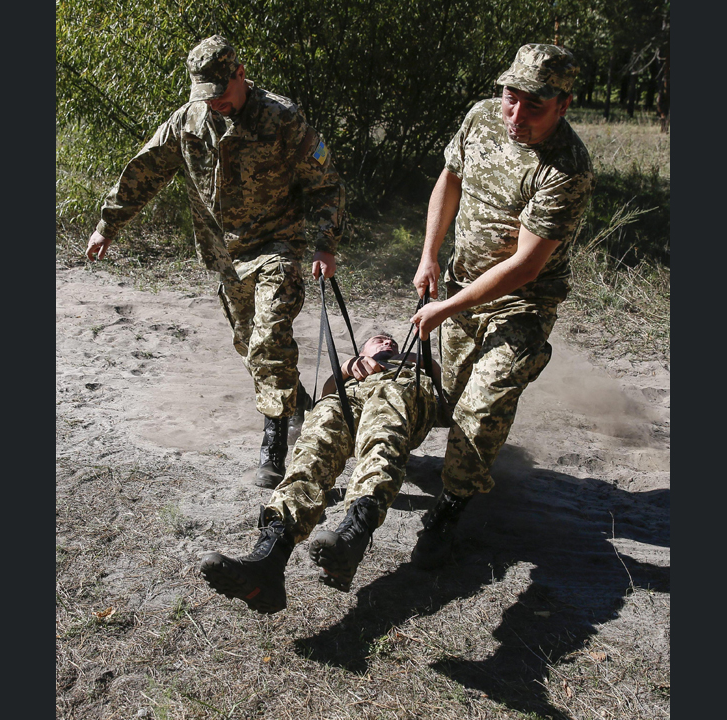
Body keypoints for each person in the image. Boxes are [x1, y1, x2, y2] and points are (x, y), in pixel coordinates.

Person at [85, 35, 346, 488]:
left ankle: (274, 445)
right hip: (224, 256)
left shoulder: (281, 118)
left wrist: (326, 243)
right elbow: (144, 170)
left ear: (240, 75)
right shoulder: (187, 122)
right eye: (206, 96)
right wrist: (108, 225)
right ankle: (297, 402)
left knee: (268, 339)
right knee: (250, 345)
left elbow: (325, 183)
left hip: (276, 247)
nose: (215, 105)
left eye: (222, 95)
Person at [408, 43, 595, 569]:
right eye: (511, 98)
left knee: (480, 404)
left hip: (522, 305)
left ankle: (449, 510)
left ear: (564, 104)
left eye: (534, 106)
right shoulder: (481, 118)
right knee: (445, 397)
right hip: (461, 286)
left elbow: (525, 268)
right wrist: (428, 256)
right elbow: (450, 180)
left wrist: (444, 308)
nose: (516, 116)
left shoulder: (569, 168)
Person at [199, 333, 441, 613]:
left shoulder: (413, 360)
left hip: (399, 393)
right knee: (315, 443)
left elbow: (440, 384)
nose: (388, 344)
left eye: (392, 342)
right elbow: (327, 392)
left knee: (382, 436)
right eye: (379, 340)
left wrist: (416, 360)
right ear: (362, 349)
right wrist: (345, 369)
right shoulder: (354, 366)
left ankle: (355, 533)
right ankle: (270, 555)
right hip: (349, 399)